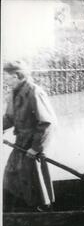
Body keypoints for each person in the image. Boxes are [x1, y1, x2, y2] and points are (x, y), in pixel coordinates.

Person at [2, 61, 57, 212]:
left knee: (34, 182)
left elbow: (47, 123)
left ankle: (41, 212)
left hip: (33, 145)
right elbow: (9, 118)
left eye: (6, 77)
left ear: (16, 76)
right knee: (10, 176)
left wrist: (35, 149)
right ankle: (14, 211)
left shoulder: (34, 92)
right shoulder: (14, 93)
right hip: (20, 144)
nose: (4, 80)